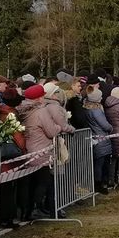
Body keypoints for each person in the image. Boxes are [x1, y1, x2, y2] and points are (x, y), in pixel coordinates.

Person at [16, 83, 71, 220]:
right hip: (42, 150)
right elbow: (51, 131)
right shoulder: (41, 111)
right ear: (39, 98)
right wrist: (59, 127)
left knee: (32, 183)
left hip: (30, 149)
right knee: (44, 182)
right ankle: (37, 208)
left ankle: (27, 211)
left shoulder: (24, 110)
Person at [83, 88, 114, 193]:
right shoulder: (96, 111)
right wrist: (110, 127)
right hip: (101, 138)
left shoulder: (86, 109)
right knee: (100, 163)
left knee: (98, 163)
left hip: (95, 137)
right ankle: (99, 184)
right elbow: (105, 125)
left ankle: (98, 183)